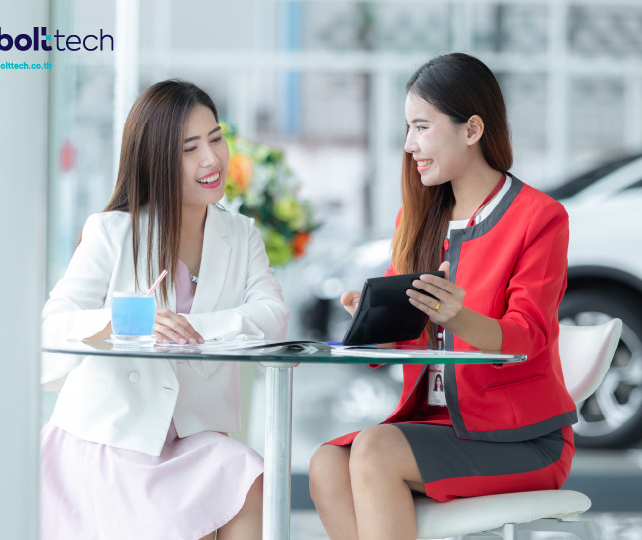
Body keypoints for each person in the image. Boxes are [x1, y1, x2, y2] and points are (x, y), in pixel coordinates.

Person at [308, 53, 576, 540]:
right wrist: (372, 322)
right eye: (407, 128)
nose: (409, 144)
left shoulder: (539, 217)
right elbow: (408, 342)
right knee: (327, 462)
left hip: (523, 440)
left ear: (471, 129)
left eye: (421, 127)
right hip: (434, 426)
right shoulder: (416, 220)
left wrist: (456, 316)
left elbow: (528, 335)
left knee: (374, 449)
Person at [40, 80, 289, 540]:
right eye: (189, 148)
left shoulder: (242, 234)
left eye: (215, 138)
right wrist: (121, 320)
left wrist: (188, 327)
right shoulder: (112, 232)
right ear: (156, 159)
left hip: (191, 440)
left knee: (249, 476)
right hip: (109, 439)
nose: (211, 160)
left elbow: (271, 315)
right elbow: (53, 325)